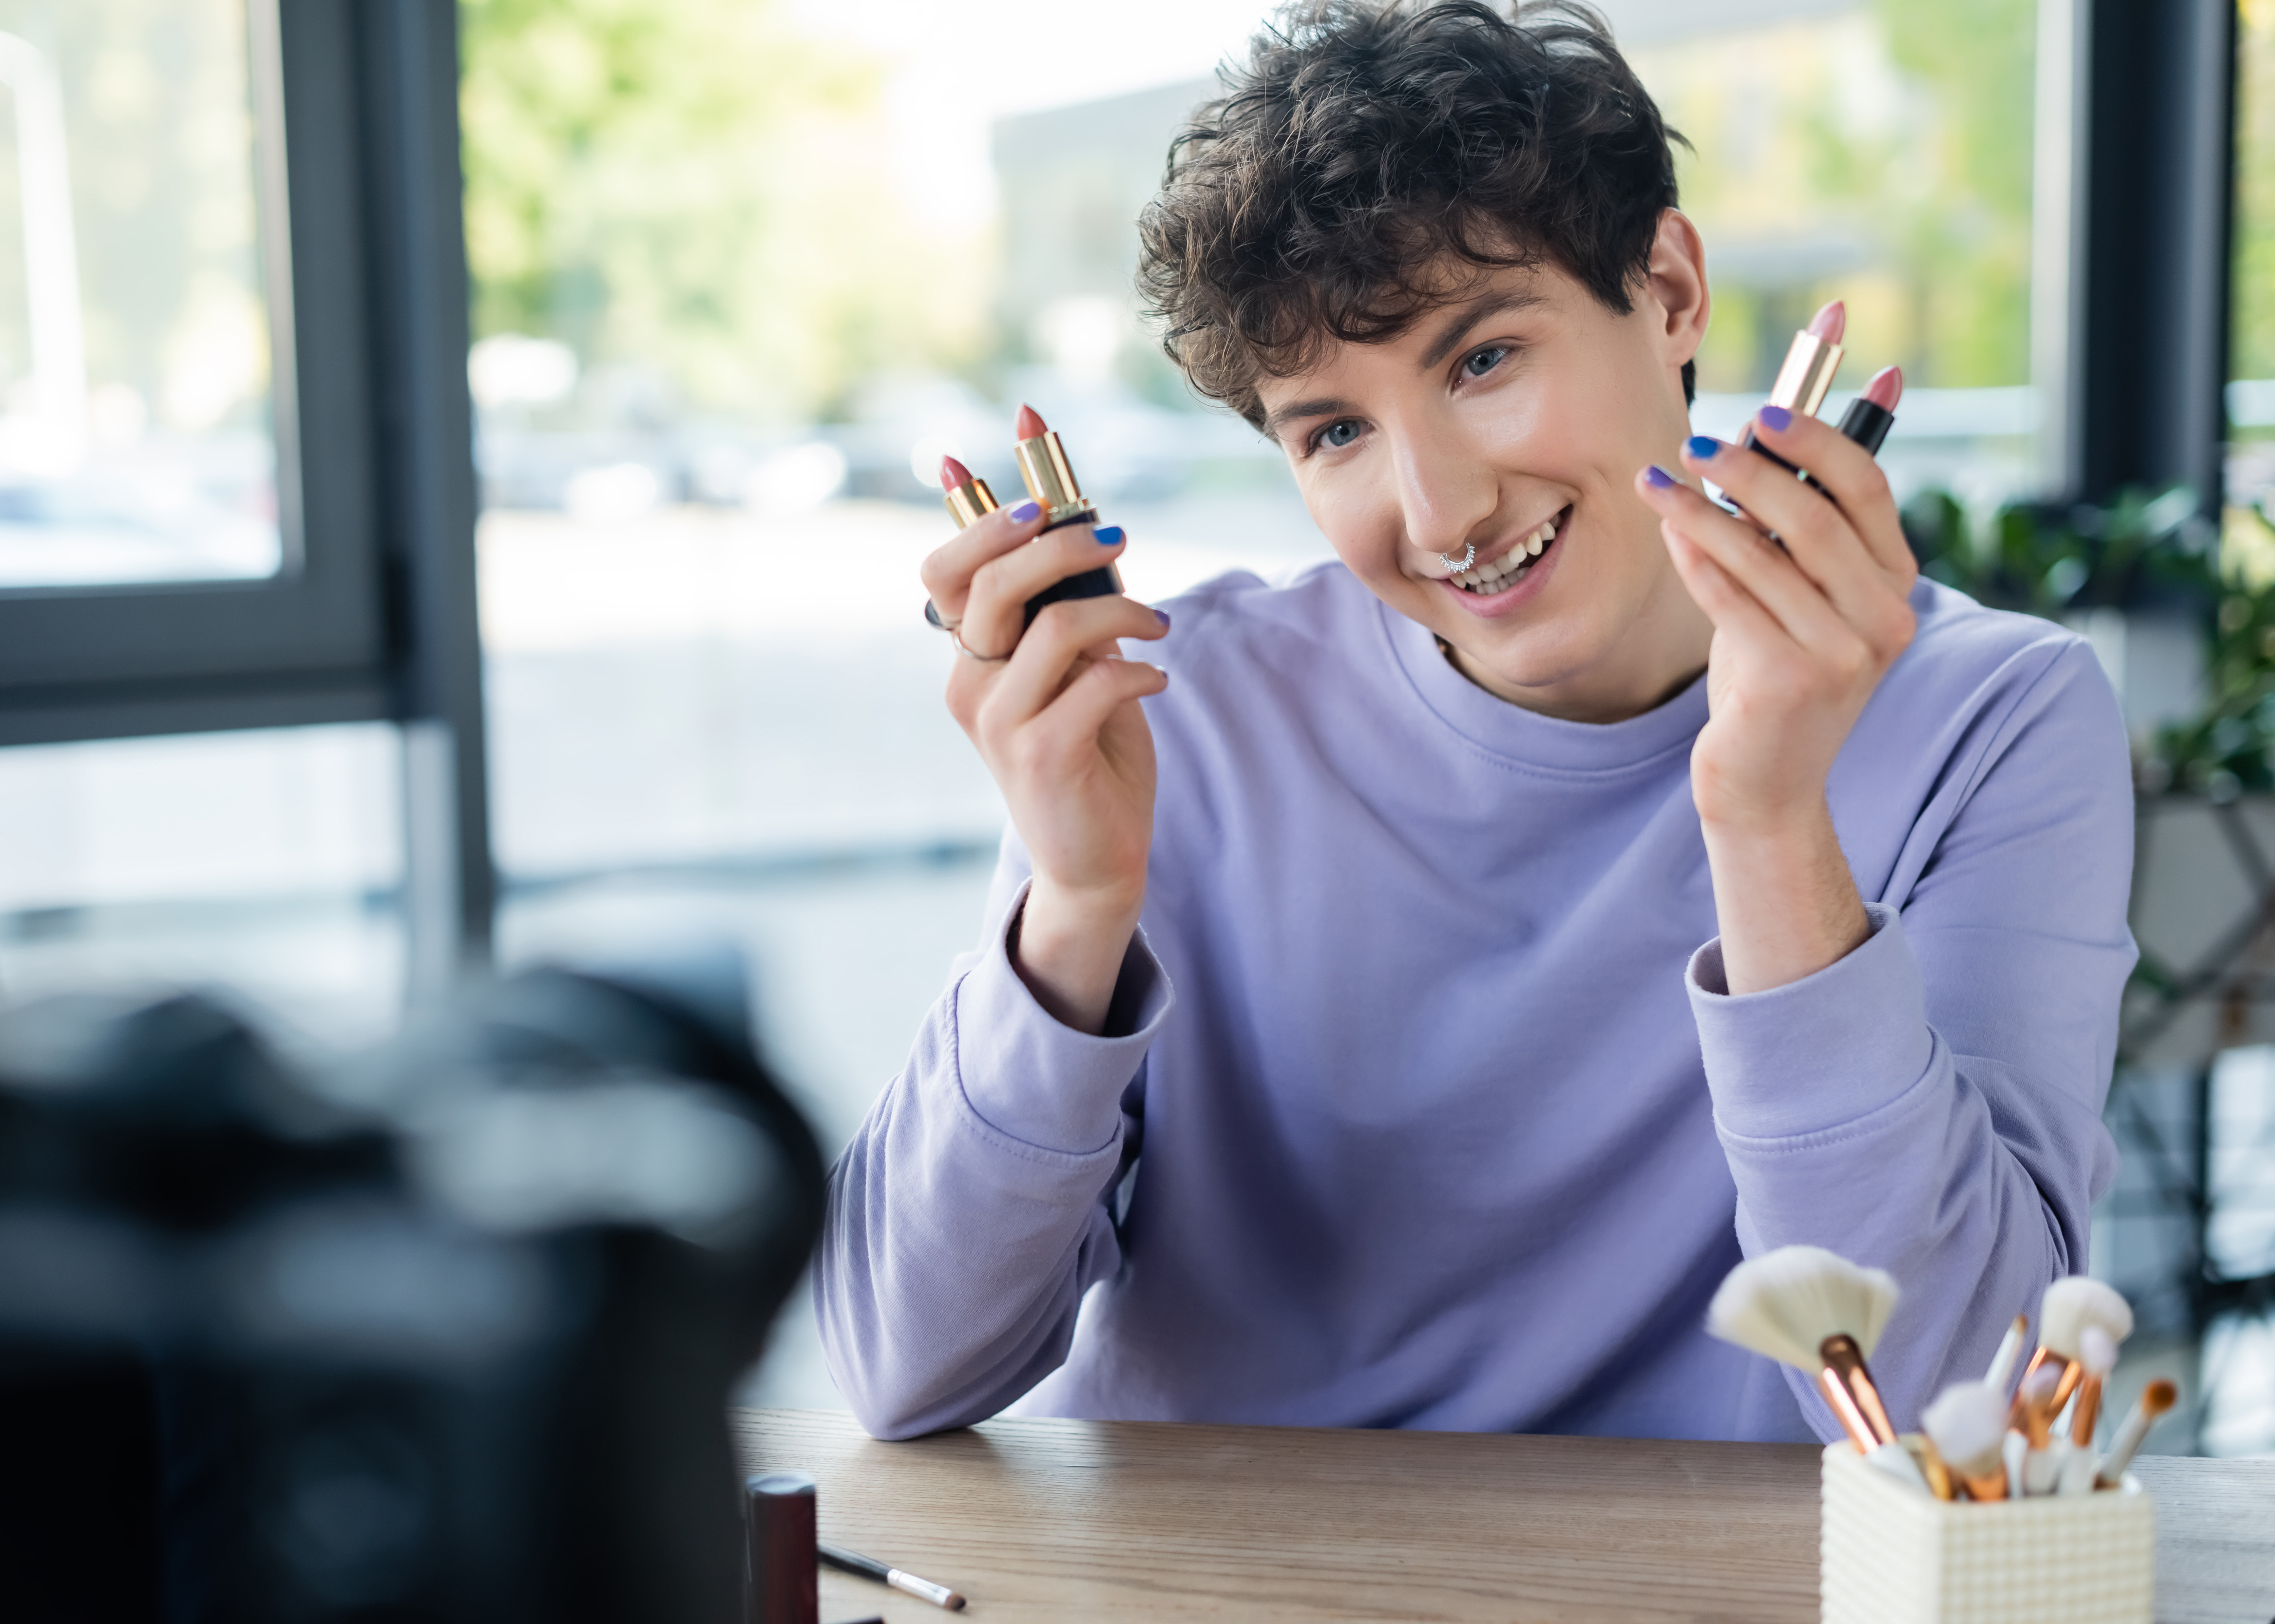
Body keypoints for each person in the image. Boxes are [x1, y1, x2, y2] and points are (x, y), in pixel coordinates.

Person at [815, 0, 2134, 1444]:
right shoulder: (1178, 714)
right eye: (1333, 430)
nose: (1438, 511)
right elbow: (902, 1368)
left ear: (1671, 292)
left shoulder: (1993, 718)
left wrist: (1765, 822)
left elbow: (1972, 1419)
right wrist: (1070, 908)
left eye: (1481, 360)